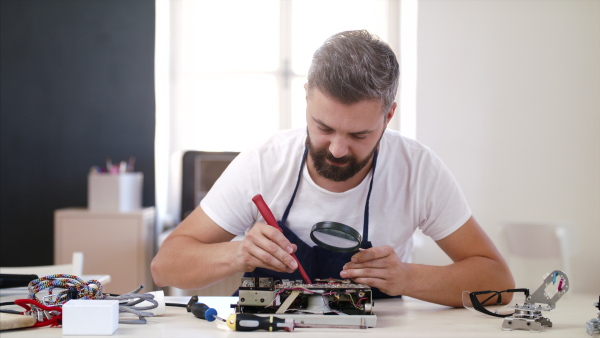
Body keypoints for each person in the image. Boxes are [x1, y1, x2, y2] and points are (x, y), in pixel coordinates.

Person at [151, 30, 514, 307]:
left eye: (359, 134)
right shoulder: (264, 162)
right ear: (307, 96)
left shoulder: (417, 170)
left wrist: (406, 278)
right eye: (323, 128)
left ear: (389, 116)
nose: (338, 150)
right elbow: (165, 266)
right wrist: (238, 253)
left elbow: (499, 282)